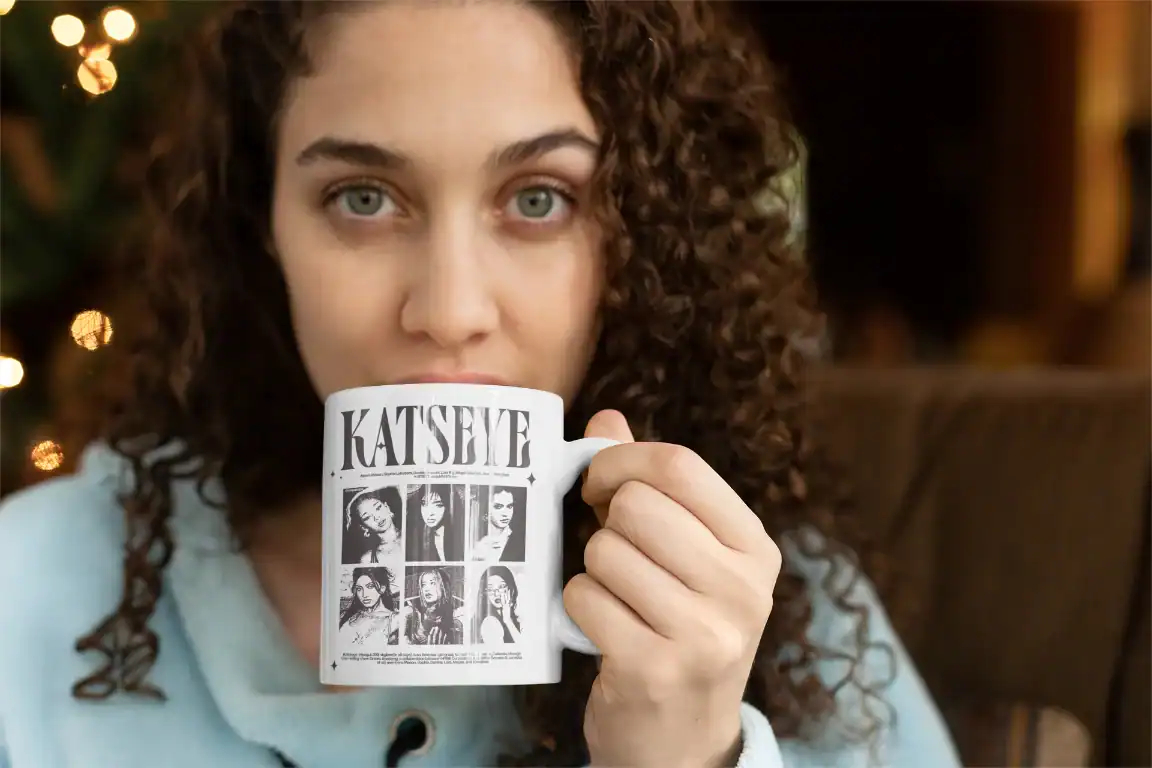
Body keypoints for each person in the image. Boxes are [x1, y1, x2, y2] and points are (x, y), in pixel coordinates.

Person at [0, 2, 961, 767]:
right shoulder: (35, 590)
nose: (450, 308)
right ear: (264, 228)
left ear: (639, 239)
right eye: (363, 199)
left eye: (539, 200)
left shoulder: (776, 614)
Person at [402, 568, 464, 646]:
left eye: (432, 583)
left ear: (443, 586)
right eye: (424, 585)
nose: (427, 589)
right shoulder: (412, 614)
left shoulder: (457, 613)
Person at [339, 567, 399, 648]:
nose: (364, 595)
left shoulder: (394, 619)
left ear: (382, 588)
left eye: (370, 586)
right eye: (359, 589)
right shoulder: (348, 616)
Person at [342, 485, 403, 564]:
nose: (377, 517)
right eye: (367, 517)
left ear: (387, 507)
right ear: (364, 527)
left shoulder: (412, 535)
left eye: (378, 508)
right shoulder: (367, 559)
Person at [405, 484, 464, 562]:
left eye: (438, 505)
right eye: (424, 504)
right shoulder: (413, 535)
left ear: (448, 507)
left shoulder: (459, 533)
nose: (430, 513)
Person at [472, 485, 527, 563]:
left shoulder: (520, 541)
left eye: (509, 506)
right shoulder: (477, 544)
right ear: (486, 510)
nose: (505, 513)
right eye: (498, 507)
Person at [474, 566, 523, 645]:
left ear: (511, 590)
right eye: (490, 589)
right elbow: (522, 651)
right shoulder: (490, 622)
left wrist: (508, 619)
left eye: (501, 587)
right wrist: (507, 620)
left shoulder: (517, 619)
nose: (496, 594)